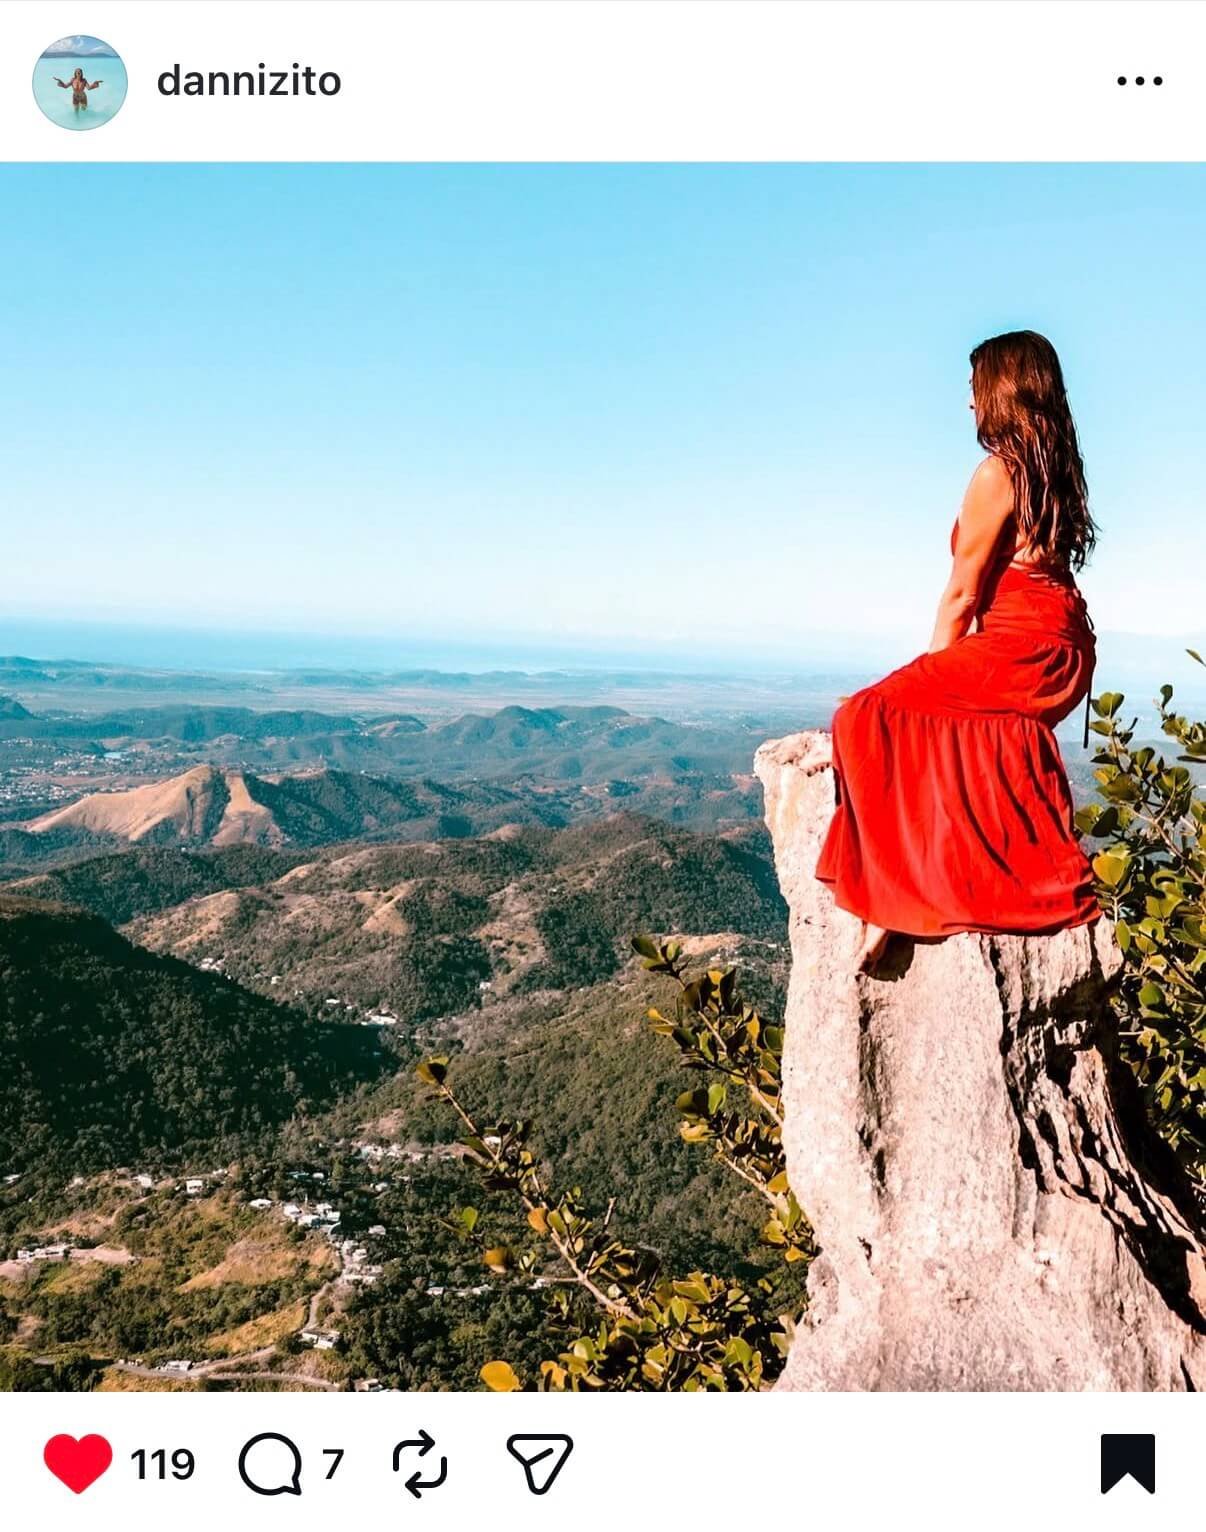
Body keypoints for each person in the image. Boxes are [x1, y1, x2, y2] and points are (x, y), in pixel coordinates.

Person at [800, 330, 1099, 971]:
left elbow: (962, 595)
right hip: (1064, 650)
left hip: (1020, 646)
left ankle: (887, 899)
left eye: (972, 390)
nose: (968, 406)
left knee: (865, 715)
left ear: (1000, 390)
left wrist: (923, 678)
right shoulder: (1053, 465)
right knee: (967, 730)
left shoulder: (998, 473)